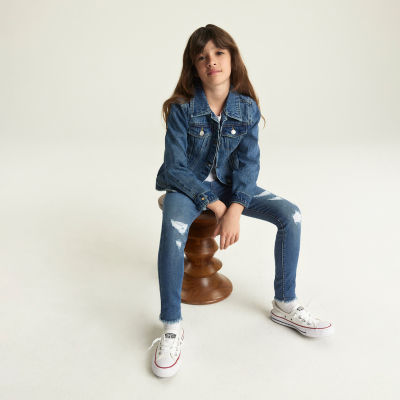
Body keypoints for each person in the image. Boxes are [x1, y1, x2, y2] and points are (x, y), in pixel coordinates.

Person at [147, 24, 334, 378]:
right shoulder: (181, 108)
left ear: (232, 58)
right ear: (193, 67)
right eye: (202, 57)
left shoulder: (246, 108)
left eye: (219, 53)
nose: (211, 61)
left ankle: (285, 303)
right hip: (185, 187)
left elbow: (249, 165)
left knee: (291, 215)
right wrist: (215, 205)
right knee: (172, 228)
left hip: (230, 188)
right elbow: (174, 168)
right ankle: (171, 326)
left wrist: (235, 207)